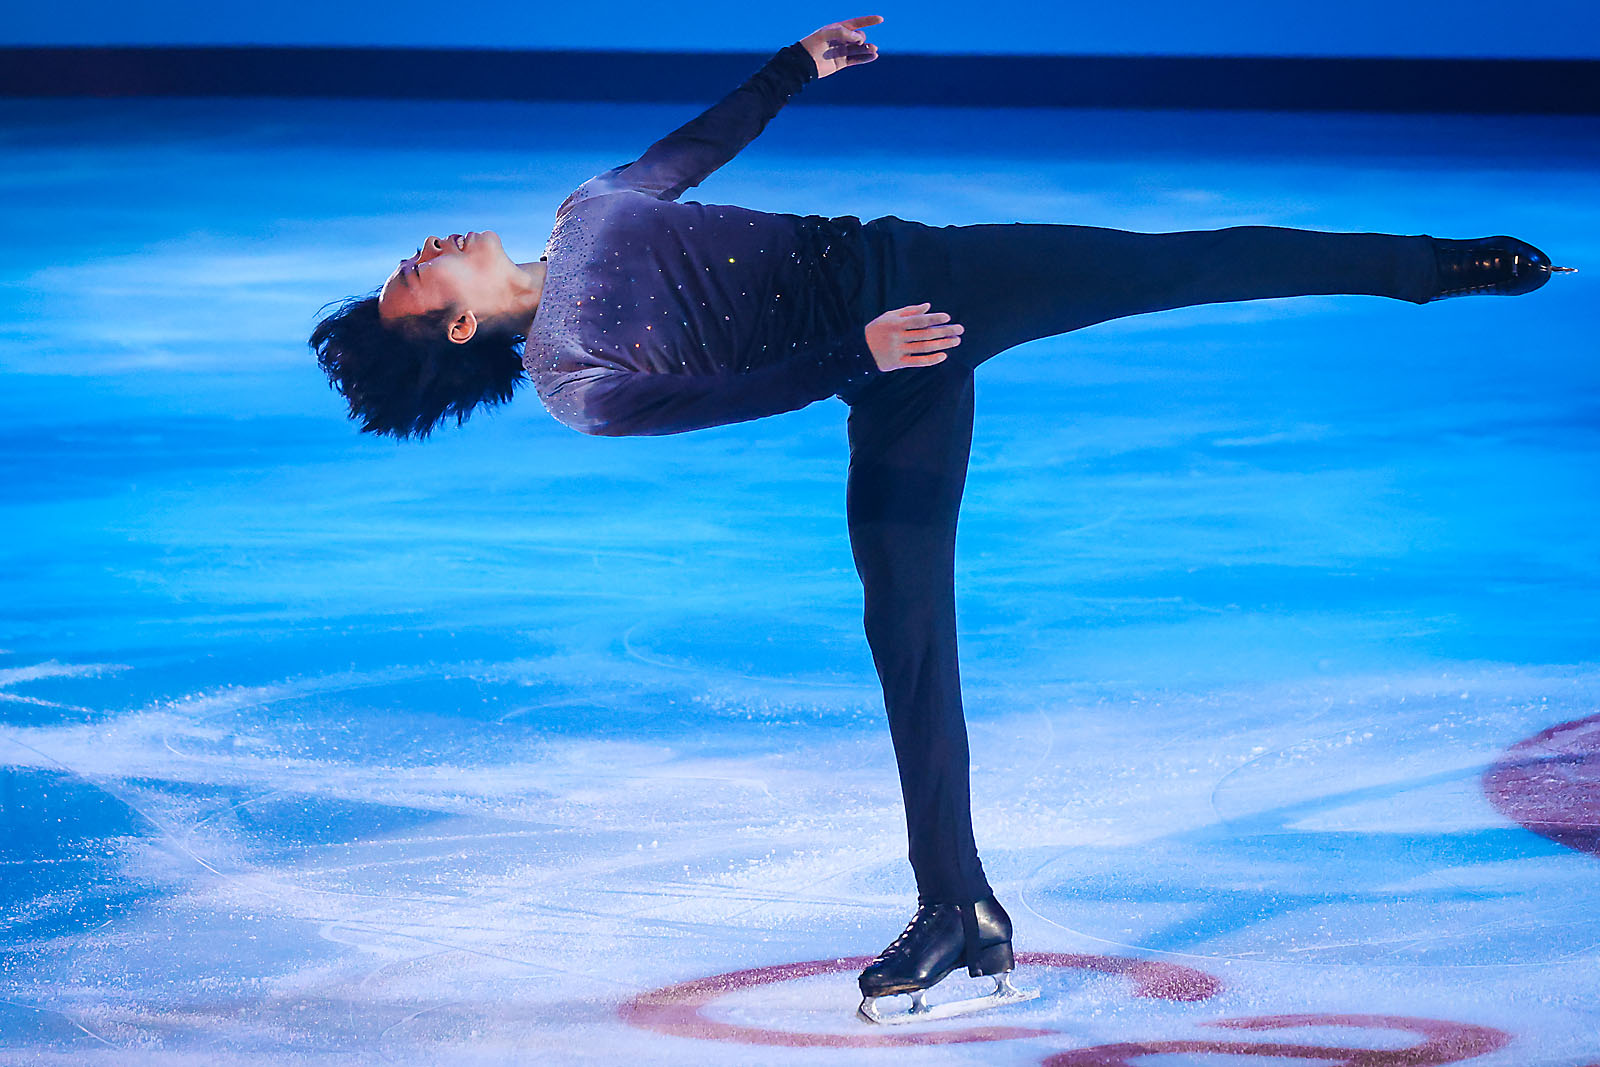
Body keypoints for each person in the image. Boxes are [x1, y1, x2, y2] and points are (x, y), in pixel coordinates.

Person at [308, 15, 1574, 1024]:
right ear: (456, 325)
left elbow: (692, 150)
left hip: (934, 275)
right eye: (413, 273)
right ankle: (955, 906)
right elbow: (719, 394)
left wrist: (794, 65)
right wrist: (855, 358)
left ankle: (1430, 265)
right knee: (906, 634)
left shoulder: (587, 208)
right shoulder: (574, 382)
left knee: (1167, 265)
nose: (425, 244)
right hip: (882, 359)